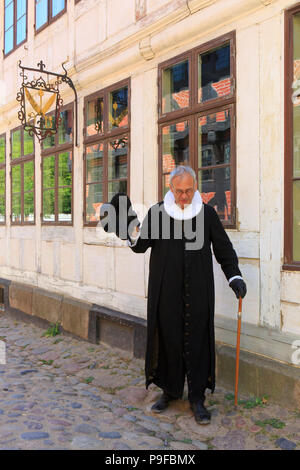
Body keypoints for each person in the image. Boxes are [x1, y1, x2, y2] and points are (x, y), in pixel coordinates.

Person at [100, 166, 246, 425]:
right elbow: (140, 245)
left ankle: (197, 398)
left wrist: (234, 276)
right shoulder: (157, 213)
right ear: (171, 188)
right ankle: (169, 391)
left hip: (199, 290)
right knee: (168, 339)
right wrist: (126, 227)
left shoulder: (207, 214)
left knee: (198, 340)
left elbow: (223, 249)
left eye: (189, 191)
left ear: (195, 187)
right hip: (165, 290)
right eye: (179, 191)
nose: (184, 196)